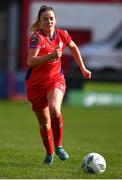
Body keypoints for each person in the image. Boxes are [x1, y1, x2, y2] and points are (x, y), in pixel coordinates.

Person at [25, 5, 91, 165]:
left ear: (56, 20)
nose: (49, 21)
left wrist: (82, 67)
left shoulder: (62, 34)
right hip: (35, 86)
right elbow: (30, 61)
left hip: (56, 79)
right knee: (44, 123)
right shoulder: (36, 37)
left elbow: (74, 47)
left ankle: (59, 146)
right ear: (40, 22)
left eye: (51, 18)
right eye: (45, 19)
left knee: (55, 109)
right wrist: (50, 56)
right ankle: (49, 154)